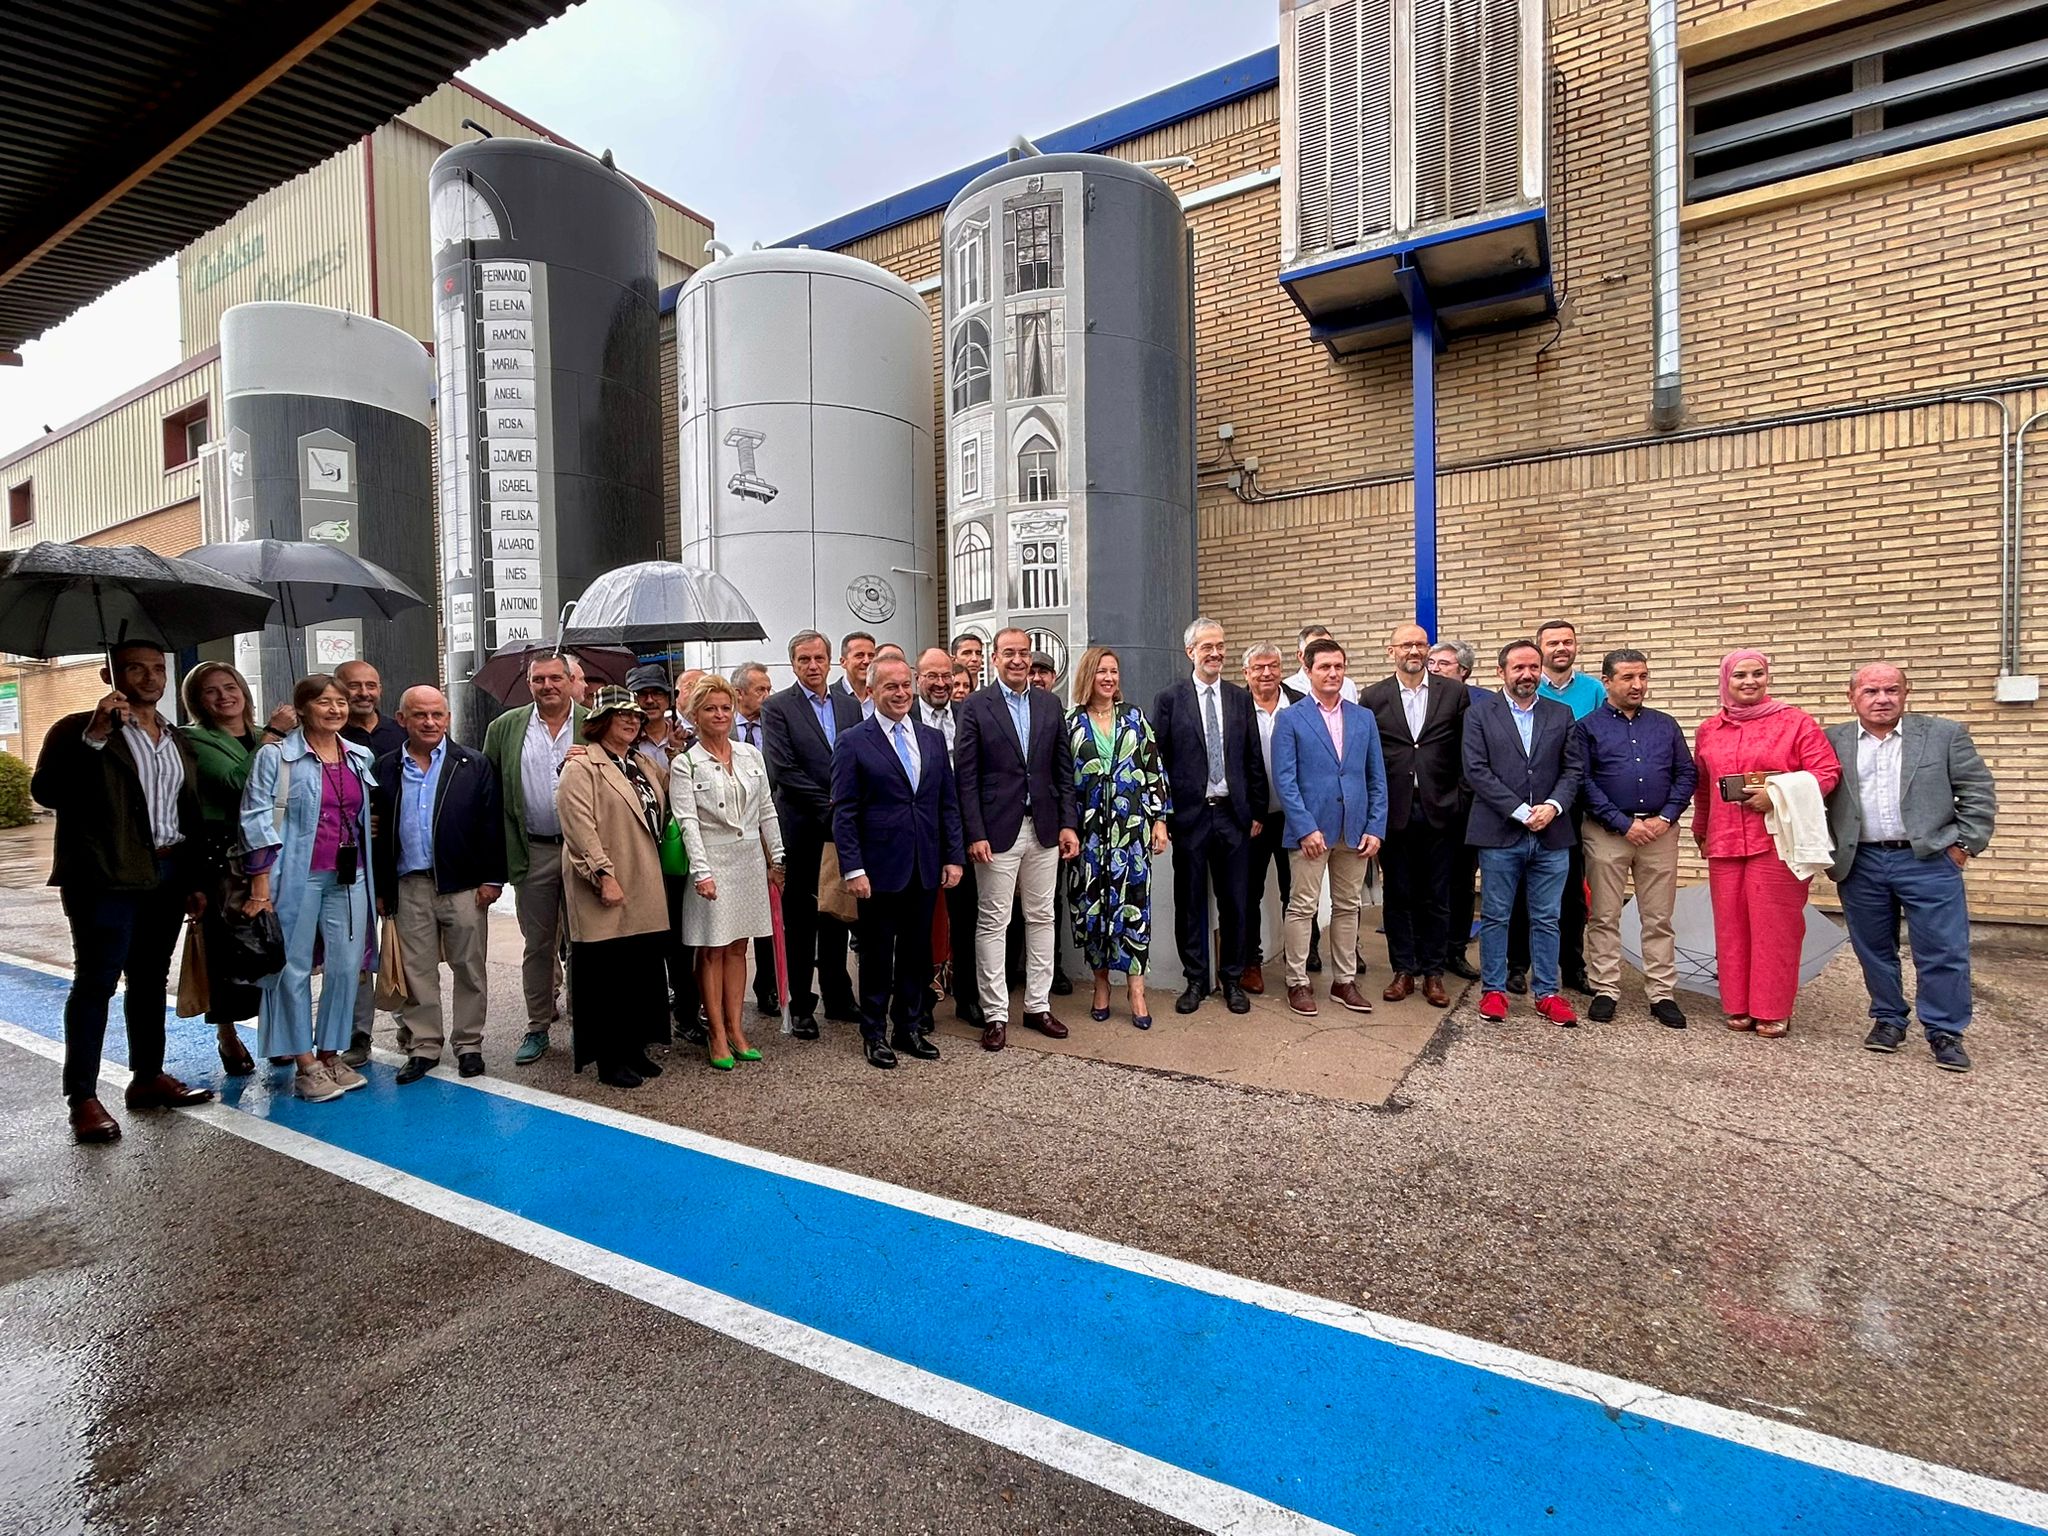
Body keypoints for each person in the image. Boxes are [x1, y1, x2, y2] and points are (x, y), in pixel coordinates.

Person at [32, 643, 215, 1143]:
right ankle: (83, 1098)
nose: (151, 677)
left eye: (158, 669)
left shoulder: (174, 737)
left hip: (167, 872)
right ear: (109, 672)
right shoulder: (77, 730)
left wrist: (195, 879)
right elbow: (47, 792)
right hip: (104, 877)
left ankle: (147, 1077)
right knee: (95, 982)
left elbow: (186, 812)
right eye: (137, 668)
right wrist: (93, 736)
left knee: (151, 978)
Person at [1825, 664, 1995, 1072]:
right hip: (1861, 860)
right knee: (1873, 948)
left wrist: (1963, 847)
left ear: (1906, 693)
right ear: (1853, 697)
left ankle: (1945, 1031)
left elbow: (1977, 791)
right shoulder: (1833, 741)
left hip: (1929, 860)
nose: (1881, 698)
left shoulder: (1943, 735)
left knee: (1942, 949)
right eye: (1871, 691)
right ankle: (1888, 1019)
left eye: (1891, 690)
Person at [240, 673, 378, 1102]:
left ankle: (331, 1053)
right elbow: (255, 818)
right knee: (292, 967)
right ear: (301, 709)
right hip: (294, 875)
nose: (336, 709)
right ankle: (304, 1063)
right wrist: (260, 888)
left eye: (340, 701)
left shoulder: (359, 757)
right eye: (324, 702)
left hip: (349, 875)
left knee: (345, 966)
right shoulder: (276, 757)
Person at [1691, 649, 1841, 1038]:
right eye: (1740, 675)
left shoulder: (1795, 722)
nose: (1749, 682)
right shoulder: (1710, 730)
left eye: (1757, 674)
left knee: (1775, 926)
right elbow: (1704, 787)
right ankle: (1738, 1004)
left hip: (1776, 839)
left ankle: (1772, 1008)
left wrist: (1776, 794)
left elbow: (1826, 772)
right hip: (1725, 841)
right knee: (1731, 926)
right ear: (1726, 680)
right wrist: (1702, 829)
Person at [831, 657, 963, 1068]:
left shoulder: (931, 739)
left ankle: (908, 1028)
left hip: (924, 865)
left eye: (906, 685)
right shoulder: (853, 741)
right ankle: (874, 1033)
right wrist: (853, 868)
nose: (901, 693)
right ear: (871, 691)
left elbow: (947, 803)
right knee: (875, 955)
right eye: (891, 686)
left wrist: (953, 857)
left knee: (915, 953)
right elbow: (845, 810)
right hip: (878, 869)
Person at [371, 686, 504, 1083]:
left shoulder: (473, 764)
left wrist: (493, 878)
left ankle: (468, 1046)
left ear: (447, 718)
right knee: (417, 971)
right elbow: (376, 833)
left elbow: (491, 824)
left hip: (463, 886)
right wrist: (381, 887)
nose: (430, 723)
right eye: (420, 715)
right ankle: (425, 1045)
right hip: (408, 885)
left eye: (437, 715)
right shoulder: (385, 767)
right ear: (402, 720)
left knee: (469, 968)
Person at [955, 626, 1079, 1051]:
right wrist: (974, 832)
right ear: (994, 658)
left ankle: (1037, 1006)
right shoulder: (975, 706)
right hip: (996, 833)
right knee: (993, 921)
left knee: (1042, 917)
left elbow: (1062, 769)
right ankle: (995, 1013)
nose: (1017, 660)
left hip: (1043, 828)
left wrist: (1068, 823)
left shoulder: (1049, 703)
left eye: (1023, 653)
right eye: (1008, 653)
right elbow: (965, 777)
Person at [180, 660, 295, 1075]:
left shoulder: (267, 730)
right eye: (211, 690)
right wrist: (273, 737)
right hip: (224, 860)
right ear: (197, 700)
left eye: (230, 687)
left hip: (274, 853)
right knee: (229, 948)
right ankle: (227, 1034)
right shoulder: (193, 738)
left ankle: (278, 1032)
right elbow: (233, 783)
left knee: (273, 942)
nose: (224, 696)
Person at [1463, 640, 1584, 1027]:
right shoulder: (1480, 715)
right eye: (1518, 668)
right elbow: (1476, 770)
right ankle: (1494, 990)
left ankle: (1548, 993)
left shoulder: (1561, 713)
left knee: (1548, 917)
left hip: (1552, 832)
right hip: (1500, 831)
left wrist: (1553, 806)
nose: (1527, 674)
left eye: (1533, 667)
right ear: (1502, 672)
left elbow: (1573, 770)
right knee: (1496, 915)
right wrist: (1519, 811)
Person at [556, 688, 671, 1087]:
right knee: (607, 976)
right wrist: (603, 874)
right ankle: (610, 1058)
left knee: (639, 971)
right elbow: (578, 827)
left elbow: (665, 803)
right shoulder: (581, 765)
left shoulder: (641, 763)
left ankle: (635, 1049)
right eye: (621, 714)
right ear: (600, 720)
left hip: (644, 880)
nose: (631, 721)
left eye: (636, 716)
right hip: (607, 881)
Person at [1575, 650, 1696, 1028]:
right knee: (1604, 915)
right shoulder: (1587, 727)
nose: (1637, 685)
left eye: (1643, 676)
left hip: (1659, 833)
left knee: (1658, 917)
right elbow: (1583, 781)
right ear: (1607, 682)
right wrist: (1621, 822)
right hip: (1607, 833)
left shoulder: (1665, 725)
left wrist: (1666, 817)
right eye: (1628, 678)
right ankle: (1606, 989)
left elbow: (1686, 774)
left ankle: (1661, 992)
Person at [1153, 617, 1267, 1015]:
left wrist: (1255, 810)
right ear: (1191, 652)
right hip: (1190, 817)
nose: (1216, 653)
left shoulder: (1239, 697)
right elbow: (1159, 761)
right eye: (1207, 647)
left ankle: (1231, 979)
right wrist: (1162, 815)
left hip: (1233, 818)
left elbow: (1253, 757)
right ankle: (1196, 980)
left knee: (1236, 900)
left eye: (1220, 646)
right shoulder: (1169, 699)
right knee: (1190, 902)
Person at [672, 674, 786, 1070]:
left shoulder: (750, 755)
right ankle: (716, 1033)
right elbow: (687, 822)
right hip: (713, 863)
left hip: (749, 861)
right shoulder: (685, 762)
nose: (719, 715)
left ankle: (737, 1029)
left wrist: (778, 858)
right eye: (710, 709)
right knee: (713, 948)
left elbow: (767, 810)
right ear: (694, 715)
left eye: (725, 707)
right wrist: (702, 872)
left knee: (739, 947)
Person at [482, 652, 587, 1066]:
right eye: (538, 679)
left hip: (583, 850)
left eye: (555, 678)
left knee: (585, 941)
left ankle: (586, 1025)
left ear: (569, 680)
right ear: (529, 683)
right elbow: (490, 794)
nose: (547, 686)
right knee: (538, 945)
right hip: (534, 849)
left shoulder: (593, 722)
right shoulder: (505, 727)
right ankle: (538, 1027)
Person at [1272, 637, 1385, 1017]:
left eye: (1338, 666)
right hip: (1310, 834)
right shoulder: (1290, 718)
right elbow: (1285, 780)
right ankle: (1298, 982)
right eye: (1324, 667)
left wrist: (1376, 827)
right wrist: (1305, 826)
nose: (1333, 673)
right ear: (1308, 670)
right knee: (1302, 907)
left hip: (1354, 831)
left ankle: (1344, 981)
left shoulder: (1362, 717)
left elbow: (1376, 778)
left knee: (1348, 906)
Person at [760, 629, 863, 1037]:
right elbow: (784, 769)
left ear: (830, 660)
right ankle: (801, 1005)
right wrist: (831, 806)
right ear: (794, 664)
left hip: (842, 832)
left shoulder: (849, 705)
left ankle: (838, 997)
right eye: (804, 660)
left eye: (819, 658)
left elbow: (857, 759)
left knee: (837, 914)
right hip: (802, 827)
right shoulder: (777, 707)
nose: (812, 666)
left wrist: (848, 811)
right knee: (800, 921)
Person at [1361, 623, 1470, 1008]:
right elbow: (1368, 758)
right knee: (1399, 895)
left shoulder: (1454, 693)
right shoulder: (1372, 697)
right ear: (1391, 651)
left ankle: (1434, 973)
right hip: (1395, 811)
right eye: (1406, 644)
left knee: (1438, 896)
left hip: (1442, 809)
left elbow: (1465, 751)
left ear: (1428, 650)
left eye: (1420, 644)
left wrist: (1460, 798)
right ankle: (1403, 970)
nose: (1413, 650)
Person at [1068, 646, 1170, 1029]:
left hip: (1131, 835)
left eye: (1113, 671)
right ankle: (1100, 985)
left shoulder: (1135, 718)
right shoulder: (1071, 723)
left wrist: (1159, 821)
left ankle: (1136, 989)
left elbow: (1154, 771)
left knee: (1134, 911)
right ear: (1088, 677)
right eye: (1101, 672)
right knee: (1093, 910)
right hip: (1090, 837)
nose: (1109, 678)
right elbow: (1064, 783)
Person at [336, 658, 406, 1066]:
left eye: (371, 685)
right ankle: (356, 1033)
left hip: (397, 860)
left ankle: (407, 1023)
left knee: (403, 948)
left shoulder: (398, 733)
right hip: (352, 861)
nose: (363, 693)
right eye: (354, 686)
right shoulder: (329, 735)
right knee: (356, 954)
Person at [1531, 618, 1601, 995]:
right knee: (1526, 890)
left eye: (1567, 642)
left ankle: (1573, 966)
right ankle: (1518, 965)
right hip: (1527, 806)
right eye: (1553, 642)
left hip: (1572, 804)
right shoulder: (1524, 687)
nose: (1561, 648)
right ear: (1540, 647)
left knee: (1573, 891)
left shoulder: (1593, 690)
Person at [916, 646, 973, 1030]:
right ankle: (920, 1002)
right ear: (918, 678)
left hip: (961, 833)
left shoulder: (968, 717)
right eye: (931, 676)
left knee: (966, 918)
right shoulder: (904, 720)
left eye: (945, 677)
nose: (940, 683)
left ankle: (968, 998)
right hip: (918, 833)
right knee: (919, 920)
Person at [1427, 639, 1485, 981]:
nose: (1433, 669)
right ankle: (1426, 949)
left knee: (1462, 884)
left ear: (1463, 671)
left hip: (1468, 809)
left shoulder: (1484, 704)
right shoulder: (1420, 700)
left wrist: (1464, 796)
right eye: (1431, 663)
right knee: (1429, 882)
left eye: (1443, 664)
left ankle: (1455, 950)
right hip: (1429, 807)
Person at [730, 660, 780, 1018]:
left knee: (770, 912)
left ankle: (770, 988)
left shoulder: (775, 724)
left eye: (768, 688)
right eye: (760, 689)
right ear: (739, 694)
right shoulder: (722, 728)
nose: (767, 695)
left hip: (771, 824)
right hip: (734, 834)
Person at [1241, 642, 1290, 994]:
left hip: (1293, 817)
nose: (1266, 673)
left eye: (1272, 666)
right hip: (1255, 820)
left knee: (1297, 892)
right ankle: (1251, 961)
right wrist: (1249, 811)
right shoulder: (1235, 706)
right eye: (1258, 667)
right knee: (1250, 893)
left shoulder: (1300, 704)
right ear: (1246, 673)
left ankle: (1303, 957)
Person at [1284, 624, 1358, 703]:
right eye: (1315, 649)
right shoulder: (1287, 688)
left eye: (1329, 646)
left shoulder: (1348, 685)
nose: (1325, 653)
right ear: (1300, 655)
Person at [629, 663, 681, 774]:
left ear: (668, 699)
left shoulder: (684, 739)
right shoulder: (625, 743)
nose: (650, 700)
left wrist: (678, 749)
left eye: (657, 693)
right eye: (642, 694)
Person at [832, 630, 878, 720]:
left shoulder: (882, 696)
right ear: (843, 662)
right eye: (859, 656)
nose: (866, 661)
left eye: (871, 656)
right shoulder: (830, 697)